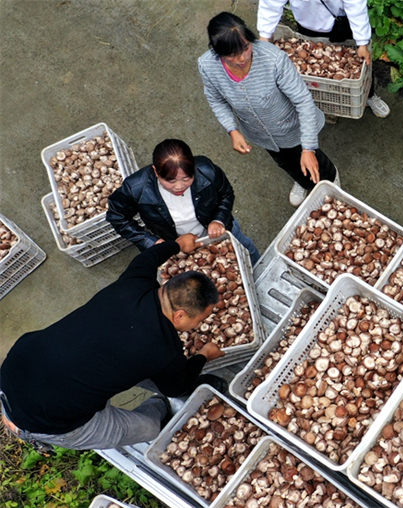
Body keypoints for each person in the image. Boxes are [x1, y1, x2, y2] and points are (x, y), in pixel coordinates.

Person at [0, 236, 225, 451]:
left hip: (16, 368)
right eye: (200, 319)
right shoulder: (164, 349)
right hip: (48, 419)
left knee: (128, 364)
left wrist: (176, 245)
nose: (200, 324)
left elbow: (147, 258)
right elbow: (177, 387)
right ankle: (161, 407)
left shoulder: (135, 282)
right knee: (149, 428)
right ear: (180, 316)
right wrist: (203, 355)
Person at [198, 12, 339, 208]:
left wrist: (308, 148)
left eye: (246, 47)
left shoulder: (274, 60)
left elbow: (303, 101)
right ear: (217, 51)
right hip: (260, 133)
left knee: (316, 163)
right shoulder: (207, 66)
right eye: (231, 54)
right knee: (285, 161)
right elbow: (215, 99)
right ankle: (302, 181)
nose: (241, 58)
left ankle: (331, 185)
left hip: (292, 128)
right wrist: (232, 129)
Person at [107, 139, 260, 267]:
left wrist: (219, 219)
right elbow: (117, 216)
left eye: (186, 179)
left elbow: (226, 194)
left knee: (247, 251)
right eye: (170, 181)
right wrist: (152, 242)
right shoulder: (135, 188)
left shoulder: (207, 171)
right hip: (179, 244)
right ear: (155, 171)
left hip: (222, 230)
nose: (179, 186)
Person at [256, 0, 390, 120]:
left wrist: (362, 41)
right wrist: (265, 34)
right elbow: (270, 3)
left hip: (340, 21)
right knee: (318, 76)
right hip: (307, 23)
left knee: (360, 63)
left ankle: (369, 96)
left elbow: (355, 3)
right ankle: (328, 106)